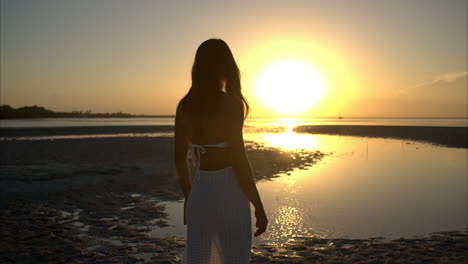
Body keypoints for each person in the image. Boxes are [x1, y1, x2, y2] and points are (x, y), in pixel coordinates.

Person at [174, 38, 268, 263]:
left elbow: (179, 159)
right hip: (231, 196)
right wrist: (258, 205)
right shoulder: (232, 104)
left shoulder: (185, 105)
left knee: (197, 258)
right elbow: (239, 159)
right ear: (226, 67)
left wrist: (189, 198)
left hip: (199, 196)